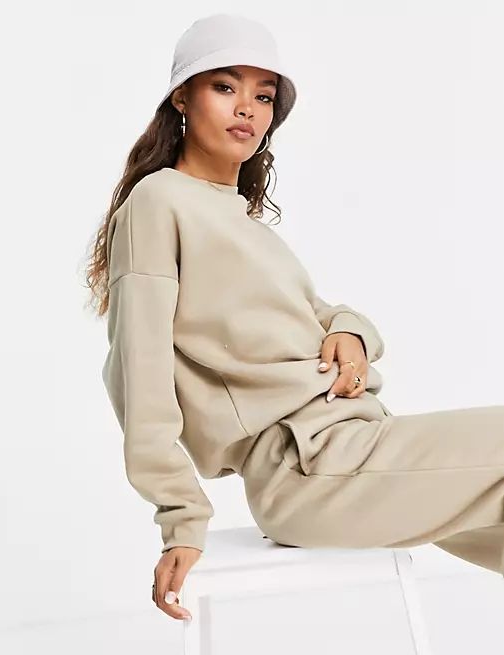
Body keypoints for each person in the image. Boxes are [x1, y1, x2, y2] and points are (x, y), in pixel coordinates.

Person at [85, 13, 504, 623]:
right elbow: (138, 372)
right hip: (308, 469)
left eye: (263, 97)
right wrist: (181, 517)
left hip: (356, 445)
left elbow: (319, 312)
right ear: (181, 97)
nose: (247, 109)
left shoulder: (243, 223)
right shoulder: (159, 201)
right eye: (224, 87)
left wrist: (350, 331)